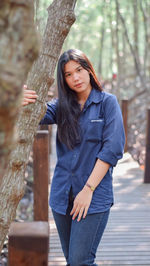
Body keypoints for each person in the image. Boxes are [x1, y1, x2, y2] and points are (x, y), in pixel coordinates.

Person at [23, 49, 125, 266]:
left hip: (92, 197)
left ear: (88, 69)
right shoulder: (61, 107)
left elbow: (113, 149)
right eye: (68, 74)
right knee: (74, 262)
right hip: (61, 197)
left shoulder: (107, 103)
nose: (75, 78)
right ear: (63, 80)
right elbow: (35, 113)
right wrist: (17, 96)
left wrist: (87, 190)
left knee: (80, 261)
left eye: (79, 70)